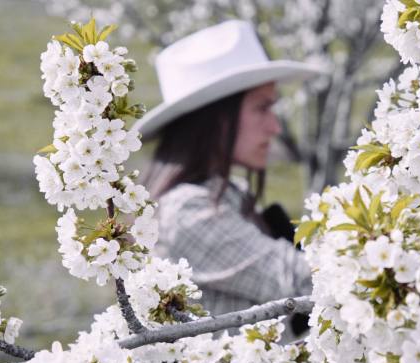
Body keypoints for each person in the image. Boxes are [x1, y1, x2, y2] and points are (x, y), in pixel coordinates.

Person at [133, 20, 326, 336]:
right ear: (217, 119)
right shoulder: (187, 213)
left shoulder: (227, 194)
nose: (275, 128)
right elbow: (307, 281)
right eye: (262, 108)